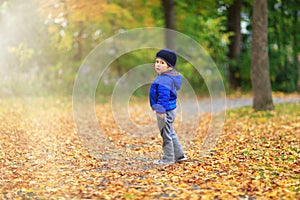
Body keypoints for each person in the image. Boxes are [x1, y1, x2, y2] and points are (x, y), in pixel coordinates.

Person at [149, 48, 188, 165]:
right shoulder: (166, 77)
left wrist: (160, 110)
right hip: (169, 109)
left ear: (169, 67)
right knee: (170, 132)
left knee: (166, 134)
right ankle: (180, 155)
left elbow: (163, 96)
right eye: (157, 61)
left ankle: (168, 159)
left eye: (162, 63)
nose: (158, 65)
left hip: (164, 110)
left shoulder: (164, 79)